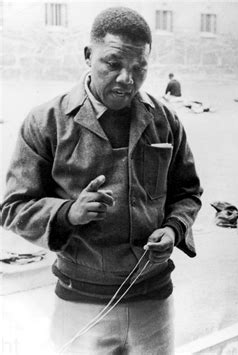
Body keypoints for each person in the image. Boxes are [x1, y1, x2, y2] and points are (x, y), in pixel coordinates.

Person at [0, 7, 203, 354]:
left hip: (153, 299)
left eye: (139, 68)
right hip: (81, 304)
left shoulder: (165, 120)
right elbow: (13, 208)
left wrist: (173, 229)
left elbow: (188, 192)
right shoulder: (46, 122)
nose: (127, 79)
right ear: (87, 56)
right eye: (113, 64)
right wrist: (67, 213)